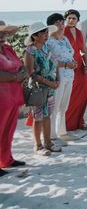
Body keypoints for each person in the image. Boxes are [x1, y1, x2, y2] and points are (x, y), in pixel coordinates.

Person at [23, 22, 60, 155]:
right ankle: (38, 146)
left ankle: (48, 142)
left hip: (50, 87)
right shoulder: (30, 51)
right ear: (35, 36)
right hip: (37, 88)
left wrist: (58, 80)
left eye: (46, 32)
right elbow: (30, 72)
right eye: (43, 33)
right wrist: (48, 82)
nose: (46, 35)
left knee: (47, 115)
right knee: (37, 116)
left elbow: (55, 65)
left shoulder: (47, 48)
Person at [0, 21, 28, 173]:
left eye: (4, 33)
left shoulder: (8, 48)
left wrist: (22, 72)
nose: (2, 36)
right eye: (0, 33)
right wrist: (15, 77)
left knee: (8, 130)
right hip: (1, 96)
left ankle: (6, 159)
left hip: (13, 95)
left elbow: (20, 64)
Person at [46, 13, 77, 142]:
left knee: (64, 105)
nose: (60, 25)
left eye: (61, 22)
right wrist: (65, 64)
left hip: (69, 75)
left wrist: (73, 62)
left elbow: (70, 54)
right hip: (57, 75)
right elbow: (48, 61)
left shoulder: (65, 39)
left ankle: (62, 131)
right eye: (56, 23)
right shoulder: (49, 42)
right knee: (55, 105)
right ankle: (52, 135)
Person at [63, 9, 87, 132]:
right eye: (69, 18)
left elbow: (84, 50)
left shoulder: (79, 33)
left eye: (74, 18)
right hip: (67, 65)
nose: (71, 20)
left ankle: (80, 121)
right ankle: (66, 123)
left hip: (79, 65)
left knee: (84, 91)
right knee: (70, 94)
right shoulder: (62, 32)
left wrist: (86, 65)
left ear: (77, 20)